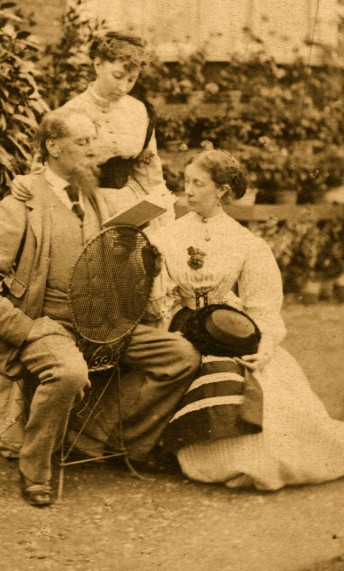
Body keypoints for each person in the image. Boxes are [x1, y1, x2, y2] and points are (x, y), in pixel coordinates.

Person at [0, 108, 200, 506]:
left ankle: (113, 441)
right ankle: (35, 468)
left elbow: (105, 264)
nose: (93, 151)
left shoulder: (93, 195)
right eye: (83, 142)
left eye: (93, 142)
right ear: (53, 147)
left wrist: (142, 258)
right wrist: (26, 329)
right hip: (48, 326)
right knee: (69, 372)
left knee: (181, 357)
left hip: (102, 324)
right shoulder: (20, 205)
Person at [146, 148, 344, 491]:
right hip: (180, 322)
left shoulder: (245, 242)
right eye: (186, 182)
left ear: (221, 190)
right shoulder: (167, 235)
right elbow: (155, 298)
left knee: (257, 378)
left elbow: (263, 308)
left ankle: (250, 455)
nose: (188, 191)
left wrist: (264, 347)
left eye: (198, 183)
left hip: (226, 325)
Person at [11, 30, 177, 227]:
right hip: (83, 207)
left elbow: (150, 171)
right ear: (98, 65)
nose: (123, 87)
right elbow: (43, 171)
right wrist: (26, 183)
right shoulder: (68, 113)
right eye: (117, 76)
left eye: (131, 80)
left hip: (131, 205)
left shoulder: (139, 111)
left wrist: (165, 215)